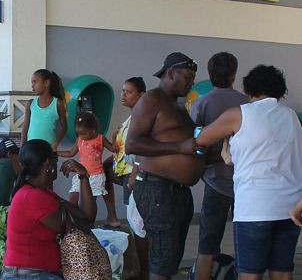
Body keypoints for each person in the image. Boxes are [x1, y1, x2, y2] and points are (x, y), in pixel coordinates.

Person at [196, 65, 302, 279]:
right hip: (291, 208)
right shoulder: (291, 117)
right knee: (282, 272)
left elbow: (202, 139)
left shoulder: (239, 114)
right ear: (280, 91)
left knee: (250, 274)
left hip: (255, 208)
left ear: (249, 89)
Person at [126, 52, 203, 280]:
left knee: (170, 260)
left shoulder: (178, 106)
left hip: (177, 192)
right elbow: (132, 144)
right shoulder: (152, 99)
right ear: (171, 73)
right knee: (162, 259)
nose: (191, 83)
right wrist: (180, 147)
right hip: (158, 189)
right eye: (188, 77)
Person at [2, 139, 95, 280]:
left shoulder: (42, 193)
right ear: (47, 162)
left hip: (36, 273)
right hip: (29, 275)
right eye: (55, 158)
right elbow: (80, 228)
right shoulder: (33, 197)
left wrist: (82, 175)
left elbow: (86, 216)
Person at [190, 52, 247, 280]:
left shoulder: (202, 103)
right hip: (244, 183)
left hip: (215, 182)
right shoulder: (245, 103)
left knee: (207, 245)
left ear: (210, 74)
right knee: (245, 243)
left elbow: (193, 143)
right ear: (234, 75)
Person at [106, 76, 148, 279]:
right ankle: (142, 267)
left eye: (128, 91)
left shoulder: (141, 119)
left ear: (141, 95)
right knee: (133, 222)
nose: (123, 95)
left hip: (135, 178)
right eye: (122, 91)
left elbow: (140, 150)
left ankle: (145, 271)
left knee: (138, 224)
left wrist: (134, 173)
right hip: (126, 177)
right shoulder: (130, 119)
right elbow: (120, 149)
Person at [58, 112, 120, 227]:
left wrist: (114, 136)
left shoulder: (101, 139)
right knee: (73, 199)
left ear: (93, 130)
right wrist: (56, 153)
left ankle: (88, 225)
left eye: (84, 133)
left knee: (90, 204)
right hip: (80, 176)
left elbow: (113, 148)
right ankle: (74, 224)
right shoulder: (80, 140)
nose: (81, 136)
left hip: (96, 176)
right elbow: (71, 153)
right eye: (79, 133)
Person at [22, 69, 67, 150]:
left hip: (48, 148)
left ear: (46, 83)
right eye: (32, 82)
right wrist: (22, 148)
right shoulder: (30, 104)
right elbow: (25, 128)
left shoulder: (58, 103)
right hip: (31, 148)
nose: (32, 85)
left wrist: (56, 142)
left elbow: (64, 127)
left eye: (35, 82)